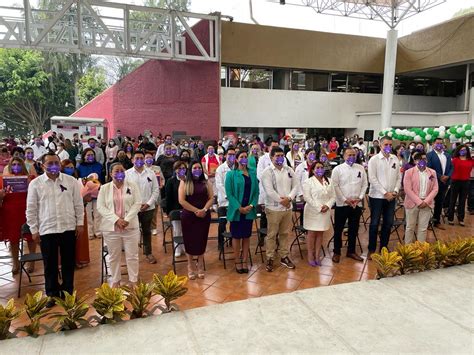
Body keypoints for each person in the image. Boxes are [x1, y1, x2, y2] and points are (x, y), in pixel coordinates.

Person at [26, 152, 84, 306]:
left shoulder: (70, 181)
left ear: (60, 164)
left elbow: (78, 205)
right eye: (50, 163)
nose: (53, 166)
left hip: (68, 228)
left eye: (56, 163)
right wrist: (34, 229)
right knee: (50, 264)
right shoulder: (36, 184)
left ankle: (68, 293)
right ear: (42, 165)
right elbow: (31, 209)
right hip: (47, 229)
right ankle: (52, 294)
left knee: (68, 263)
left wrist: (80, 224)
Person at [97, 162, 142, 287]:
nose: (119, 173)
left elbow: (137, 203)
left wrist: (126, 219)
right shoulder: (105, 188)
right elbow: (101, 207)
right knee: (113, 256)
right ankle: (116, 280)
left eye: (121, 170)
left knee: (132, 255)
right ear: (111, 173)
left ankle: (133, 281)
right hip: (111, 228)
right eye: (116, 171)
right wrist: (116, 220)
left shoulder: (132, 186)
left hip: (130, 226)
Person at [261, 147, 298, 272]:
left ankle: (284, 256)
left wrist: (289, 198)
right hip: (273, 208)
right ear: (271, 157)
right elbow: (269, 190)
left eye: (282, 155)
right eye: (277, 155)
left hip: (287, 208)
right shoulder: (267, 172)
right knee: (272, 234)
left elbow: (296, 186)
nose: (280, 158)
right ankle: (270, 258)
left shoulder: (289, 170)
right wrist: (282, 201)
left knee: (284, 233)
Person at [331, 148, 368, 263]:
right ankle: (337, 252)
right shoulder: (338, 169)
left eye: (354, 155)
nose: (352, 157)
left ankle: (351, 251)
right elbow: (335, 186)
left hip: (356, 204)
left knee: (354, 228)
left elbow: (365, 184)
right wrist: (344, 199)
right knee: (338, 229)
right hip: (342, 204)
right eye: (349, 155)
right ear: (344, 156)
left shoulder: (360, 168)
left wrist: (360, 198)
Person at [1, 157, 37, 274]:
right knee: (13, 239)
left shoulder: (31, 179)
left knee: (31, 237)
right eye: (14, 164)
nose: (16, 166)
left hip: (27, 210)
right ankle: (15, 263)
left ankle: (32, 262)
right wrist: (1, 194)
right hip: (10, 212)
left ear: (23, 166)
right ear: (10, 166)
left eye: (19, 164)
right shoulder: (2, 180)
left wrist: (30, 185)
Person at [367, 136, 401, 259]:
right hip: (377, 196)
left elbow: (398, 177)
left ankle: (384, 247)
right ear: (380, 145)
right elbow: (372, 178)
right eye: (386, 144)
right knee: (375, 223)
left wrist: (395, 191)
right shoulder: (374, 160)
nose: (388, 147)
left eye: (390, 145)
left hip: (392, 197)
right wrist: (384, 193)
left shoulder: (395, 159)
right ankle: (371, 249)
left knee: (388, 223)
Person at [178, 161, 213, 279]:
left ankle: (200, 265)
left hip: (204, 215)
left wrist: (204, 210)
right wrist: (196, 211)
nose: (197, 169)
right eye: (194, 168)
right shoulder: (184, 182)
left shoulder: (206, 182)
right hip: (189, 216)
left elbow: (211, 198)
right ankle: (190, 265)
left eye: (199, 168)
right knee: (190, 241)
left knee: (201, 240)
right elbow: (182, 201)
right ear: (190, 170)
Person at [225, 151, 259, 273]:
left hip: (249, 210)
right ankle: (237, 261)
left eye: (246, 157)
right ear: (237, 159)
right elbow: (229, 194)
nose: (244, 159)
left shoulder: (253, 174)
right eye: (241, 157)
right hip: (237, 210)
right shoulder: (231, 174)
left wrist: (251, 205)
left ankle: (245, 260)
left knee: (246, 236)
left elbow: (256, 192)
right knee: (236, 236)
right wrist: (239, 208)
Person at [126, 151, 160, 264]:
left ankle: (148, 252)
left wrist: (148, 203)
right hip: (132, 209)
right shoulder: (127, 174)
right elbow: (125, 192)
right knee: (133, 231)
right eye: (137, 158)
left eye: (141, 158)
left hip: (148, 208)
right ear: (132, 160)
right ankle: (132, 254)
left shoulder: (151, 173)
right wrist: (135, 204)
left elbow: (155, 190)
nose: (139, 160)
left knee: (146, 231)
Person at [302, 161, 335, 266]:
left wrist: (328, 206)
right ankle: (310, 255)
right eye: (317, 167)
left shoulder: (329, 181)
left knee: (320, 233)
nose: (320, 169)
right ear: (312, 170)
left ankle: (317, 255)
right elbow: (307, 197)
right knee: (311, 234)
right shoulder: (308, 182)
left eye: (321, 167)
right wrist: (319, 207)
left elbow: (333, 196)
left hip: (325, 211)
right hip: (312, 211)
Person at [403, 152, 438, 243]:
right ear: (415, 161)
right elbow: (407, 189)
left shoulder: (432, 172)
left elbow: (435, 189)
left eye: (424, 159)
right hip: (412, 203)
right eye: (420, 159)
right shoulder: (409, 172)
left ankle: (420, 250)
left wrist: (425, 201)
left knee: (423, 228)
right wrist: (419, 202)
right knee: (410, 227)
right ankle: (408, 250)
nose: (423, 161)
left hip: (427, 203)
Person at [61, 159, 90, 268]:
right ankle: (67, 262)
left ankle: (78, 259)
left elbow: (82, 198)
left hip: (78, 211)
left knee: (78, 238)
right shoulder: (60, 181)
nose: (70, 169)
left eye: (72, 167)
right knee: (66, 240)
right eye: (67, 167)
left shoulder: (78, 181)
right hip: (65, 212)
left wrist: (86, 197)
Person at [427, 138, 453, 229]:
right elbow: (429, 168)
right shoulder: (429, 155)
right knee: (429, 202)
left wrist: (447, 176)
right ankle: (427, 222)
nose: (439, 145)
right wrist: (440, 176)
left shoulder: (447, 155)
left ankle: (436, 221)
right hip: (433, 181)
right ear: (433, 144)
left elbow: (451, 167)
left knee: (439, 202)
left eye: (441, 143)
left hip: (444, 182)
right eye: (437, 143)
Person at [77, 148, 103, 239]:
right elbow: (78, 180)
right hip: (85, 193)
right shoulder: (80, 166)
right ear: (84, 156)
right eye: (88, 155)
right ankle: (90, 233)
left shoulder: (99, 165)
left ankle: (98, 231)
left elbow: (102, 178)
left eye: (92, 155)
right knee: (87, 214)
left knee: (98, 213)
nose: (90, 157)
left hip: (98, 192)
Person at [164, 161, 187, 257]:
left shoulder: (189, 180)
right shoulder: (171, 181)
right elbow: (168, 198)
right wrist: (168, 211)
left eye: (183, 168)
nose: (181, 170)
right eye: (179, 168)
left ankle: (186, 247)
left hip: (188, 209)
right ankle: (177, 248)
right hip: (175, 209)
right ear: (175, 170)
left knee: (186, 230)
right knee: (177, 230)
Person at [215, 147, 236, 249]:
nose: (231, 157)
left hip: (235, 202)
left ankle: (232, 240)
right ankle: (220, 243)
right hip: (224, 201)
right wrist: (229, 195)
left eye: (233, 155)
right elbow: (219, 185)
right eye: (230, 154)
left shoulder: (237, 168)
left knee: (233, 222)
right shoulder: (220, 169)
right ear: (225, 156)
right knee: (222, 223)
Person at [447, 145, 473, 226]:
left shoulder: (471, 160)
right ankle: (450, 218)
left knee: (462, 201)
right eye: (461, 150)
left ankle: (461, 218)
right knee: (453, 200)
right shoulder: (454, 160)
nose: (463, 151)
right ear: (458, 151)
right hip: (455, 182)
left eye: (465, 150)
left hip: (466, 182)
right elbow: (450, 169)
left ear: (467, 151)